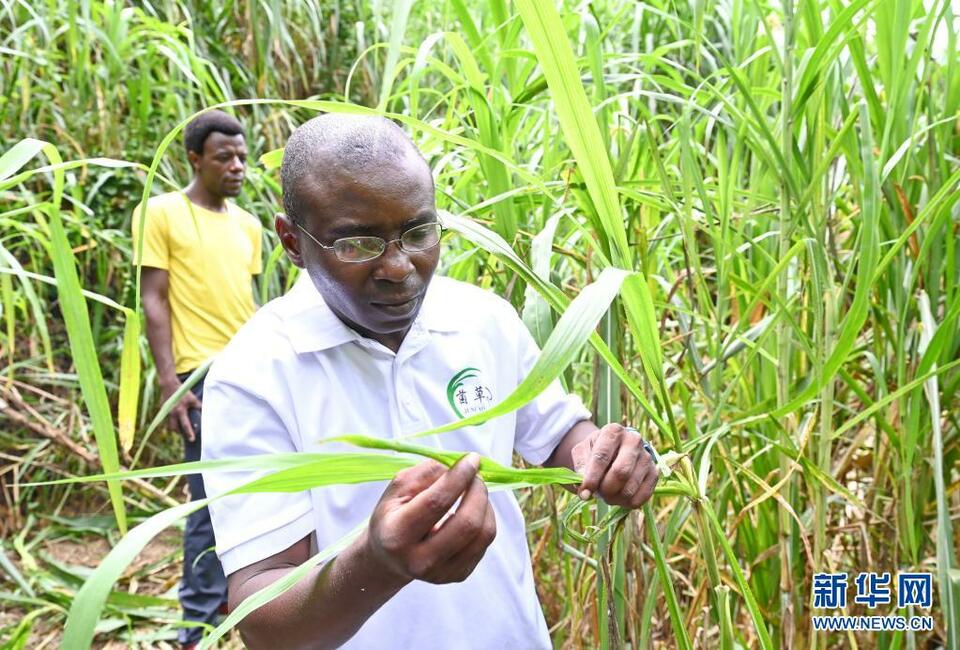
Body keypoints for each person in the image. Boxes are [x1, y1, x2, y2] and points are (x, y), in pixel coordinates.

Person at [200, 113, 659, 649]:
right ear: (292, 242)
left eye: (418, 232)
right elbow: (261, 618)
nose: (398, 267)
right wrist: (376, 564)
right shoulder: (254, 374)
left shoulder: (482, 319)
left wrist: (607, 455)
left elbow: (559, 435)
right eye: (356, 244)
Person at [131, 109, 262, 649]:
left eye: (241, 157)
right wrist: (171, 385)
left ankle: (249, 610)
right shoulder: (161, 213)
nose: (236, 167)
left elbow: (248, 302)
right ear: (194, 159)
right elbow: (153, 299)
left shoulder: (249, 225)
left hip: (251, 372)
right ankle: (199, 632)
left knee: (260, 496)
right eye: (223, 157)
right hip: (199, 377)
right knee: (208, 505)